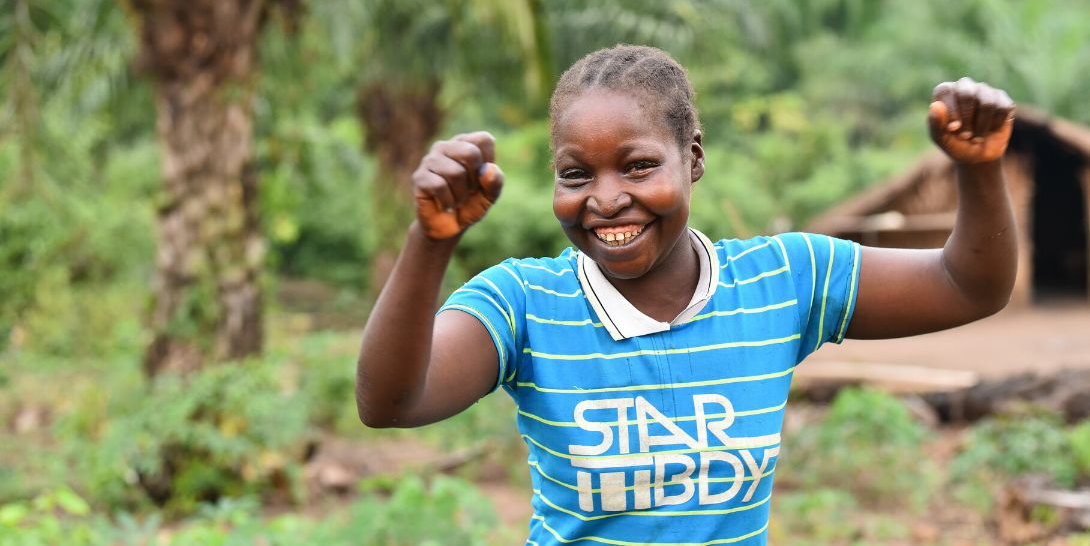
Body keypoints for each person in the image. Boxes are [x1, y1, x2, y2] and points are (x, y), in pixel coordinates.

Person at [356, 44, 1017, 544]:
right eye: (576, 173)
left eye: (639, 165)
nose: (607, 197)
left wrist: (980, 170)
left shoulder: (783, 281)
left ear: (693, 157)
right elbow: (390, 400)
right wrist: (431, 240)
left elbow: (968, 285)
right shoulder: (523, 302)